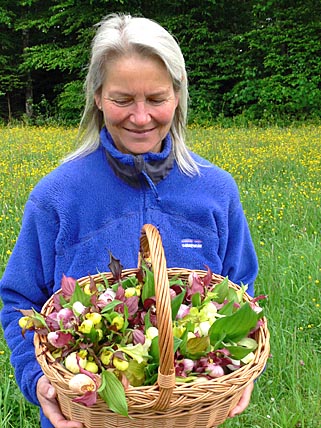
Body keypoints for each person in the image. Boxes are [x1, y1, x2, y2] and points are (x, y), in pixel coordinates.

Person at [0, 13, 258, 428]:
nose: (141, 118)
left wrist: (241, 365)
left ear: (177, 96)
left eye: (157, 99)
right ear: (98, 97)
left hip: (187, 415)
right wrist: (38, 382)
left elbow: (240, 291)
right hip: (85, 419)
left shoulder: (215, 191)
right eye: (122, 100)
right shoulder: (57, 196)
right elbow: (19, 300)